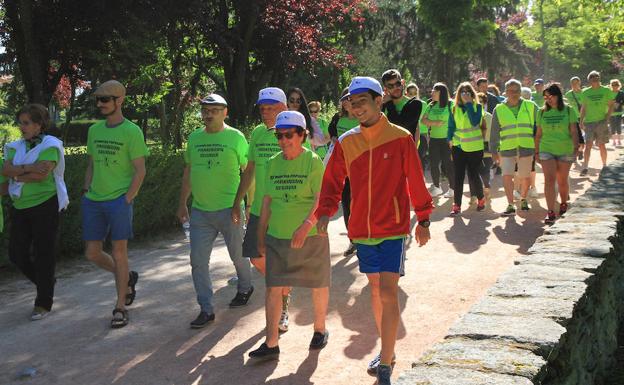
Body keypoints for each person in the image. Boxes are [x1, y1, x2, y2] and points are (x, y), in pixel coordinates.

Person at [316, 76, 433, 385]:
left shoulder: (401, 137)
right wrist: (324, 213)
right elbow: (332, 183)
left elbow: (415, 179)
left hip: (393, 228)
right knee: (376, 292)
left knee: (388, 291)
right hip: (362, 230)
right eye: (352, 105)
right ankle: (387, 350)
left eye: (362, 103)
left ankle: (387, 360)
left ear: (379, 101)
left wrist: (423, 218)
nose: (356, 109)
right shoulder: (346, 141)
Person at [249, 110, 330, 360]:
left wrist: (306, 226)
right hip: (277, 237)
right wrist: (260, 236)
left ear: (302, 135)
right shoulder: (273, 162)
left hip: (311, 237)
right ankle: (271, 343)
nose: (283, 141)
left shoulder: (313, 161)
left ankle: (319, 329)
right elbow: (266, 201)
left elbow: (321, 199)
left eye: (289, 135)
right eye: (279, 136)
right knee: (273, 288)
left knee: (318, 284)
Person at [177, 94, 253, 329]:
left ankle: (245, 287)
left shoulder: (236, 137)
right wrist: (182, 203)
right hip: (200, 211)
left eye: (214, 110)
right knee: (198, 261)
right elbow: (189, 172)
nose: (208, 114)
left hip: (230, 209)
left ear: (225, 112)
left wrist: (246, 205)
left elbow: (248, 172)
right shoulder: (195, 138)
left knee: (238, 255)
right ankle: (206, 309)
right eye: (205, 110)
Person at [82, 80, 149, 328]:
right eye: (98, 99)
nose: (100, 104)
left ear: (119, 101)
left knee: (119, 252)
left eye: (105, 99)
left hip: (119, 200)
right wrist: (86, 189)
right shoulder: (94, 130)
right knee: (92, 253)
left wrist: (127, 198)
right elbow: (91, 164)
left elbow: (140, 171)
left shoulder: (132, 131)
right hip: (93, 200)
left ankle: (120, 307)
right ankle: (127, 278)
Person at [232, 87, 293, 333]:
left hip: (283, 210)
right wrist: (238, 201)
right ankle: (283, 286)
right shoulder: (257, 133)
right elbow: (249, 170)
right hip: (258, 208)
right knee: (256, 257)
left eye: (272, 107)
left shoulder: (294, 131)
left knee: (277, 262)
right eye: (262, 108)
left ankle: (283, 304)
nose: (266, 112)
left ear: (284, 107)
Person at [3, 104, 68, 320]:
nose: (21, 127)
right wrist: (29, 169)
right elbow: (5, 170)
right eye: (20, 122)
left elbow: (42, 175)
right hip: (20, 206)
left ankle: (43, 303)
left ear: (39, 125)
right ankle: (46, 282)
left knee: (44, 254)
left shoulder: (51, 145)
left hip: (45, 205)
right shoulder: (13, 147)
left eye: (26, 123)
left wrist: (17, 173)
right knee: (16, 254)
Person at [490, 79, 538, 216]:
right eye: (511, 91)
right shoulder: (498, 109)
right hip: (507, 148)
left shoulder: (531, 106)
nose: (514, 93)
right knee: (507, 176)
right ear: (505, 92)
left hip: (526, 147)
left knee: (525, 176)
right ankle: (510, 204)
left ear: (520, 91)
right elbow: (494, 132)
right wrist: (494, 151)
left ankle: (523, 199)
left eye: (517, 90)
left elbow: (540, 124)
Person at [535, 83, 579, 224]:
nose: (548, 99)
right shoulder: (541, 112)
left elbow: (573, 130)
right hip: (546, 149)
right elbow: (538, 134)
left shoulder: (568, 110)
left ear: (558, 95)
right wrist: (536, 151)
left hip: (565, 149)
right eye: (545, 97)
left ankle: (564, 202)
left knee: (562, 180)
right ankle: (550, 211)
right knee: (549, 180)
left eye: (551, 96)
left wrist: (576, 147)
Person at [328, 87, 360, 257]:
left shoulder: (363, 118)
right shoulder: (337, 118)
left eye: (350, 98)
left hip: (360, 169)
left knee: (361, 204)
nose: (347, 101)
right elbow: (331, 131)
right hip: (343, 169)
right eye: (344, 99)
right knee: (347, 205)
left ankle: (364, 239)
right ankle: (352, 240)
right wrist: (334, 138)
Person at [447, 82, 486, 215]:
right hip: (458, 146)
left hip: (474, 147)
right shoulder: (453, 108)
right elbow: (451, 126)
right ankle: (456, 205)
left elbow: (475, 121)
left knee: (473, 174)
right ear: (458, 94)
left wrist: (469, 103)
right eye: (462, 92)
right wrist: (449, 140)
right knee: (458, 175)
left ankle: (481, 199)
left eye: (467, 92)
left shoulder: (477, 106)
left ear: (471, 93)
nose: (464, 94)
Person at [380, 69, 426, 166]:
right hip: (386, 157)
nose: (395, 87)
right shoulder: (381, 106)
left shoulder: (415, 104)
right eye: (390, 86)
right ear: (385, 89)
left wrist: (389, 103)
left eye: (397, 84)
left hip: (406, 157)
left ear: (403, 83)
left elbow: (401, 126)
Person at [421, 82, 454, 198]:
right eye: (432, 91)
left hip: (447, 140)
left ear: (442, 92)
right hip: (434, 140)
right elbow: (423, 120)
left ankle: (452, 188)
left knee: (448, 164)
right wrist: (434, 123)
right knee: (434, 164)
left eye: (435, 91)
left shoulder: (451, 104)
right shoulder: (430, 105)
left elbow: (457, 121)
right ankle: (436, 187)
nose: (432, 93)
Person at [579, 70, 616, 175]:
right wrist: (581, 121)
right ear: (589, 80)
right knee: (588, 145)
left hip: (601, 122)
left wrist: (607, 117)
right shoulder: (585, 92)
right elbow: (583, 108)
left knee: (601, 145)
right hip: (589, 122)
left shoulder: (606, 90)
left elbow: (611, 105)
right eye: (593, 78)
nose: (595, 79)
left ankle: (604, 166)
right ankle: (585, 167)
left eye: (597, 77)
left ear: (599, 79)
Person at [477, 92, 494, 199]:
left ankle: (487, 187)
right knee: (474, 171)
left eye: (481, 101)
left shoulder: (490, 116)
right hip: (473, 146)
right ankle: (475, 195)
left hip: (487, 147)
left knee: (485, 170)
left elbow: (495, 133)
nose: (479, 104)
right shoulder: (470, 116)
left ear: (485, 103)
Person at [565, 76, 586, 160]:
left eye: (576, 83)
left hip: (583, 117)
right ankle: (574, 153)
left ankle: (580, 151)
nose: (575, 85)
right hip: (571, 118)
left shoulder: (584, 93)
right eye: (573, 83)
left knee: (582, 136)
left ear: (579, 83)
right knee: (572, 136)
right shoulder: (568, 94)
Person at [609, 79, 624, 146]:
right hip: (611, 112)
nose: (615, 86)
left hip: (619, 112)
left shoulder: (621, 93)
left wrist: (619, 103)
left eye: (616, 85)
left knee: (618, 126)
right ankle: (614, 141)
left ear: (619, 85)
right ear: (611, 85)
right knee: (612, 126)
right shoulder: (608, 93)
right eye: (613, 85)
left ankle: (619, 140)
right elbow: (606, 102)